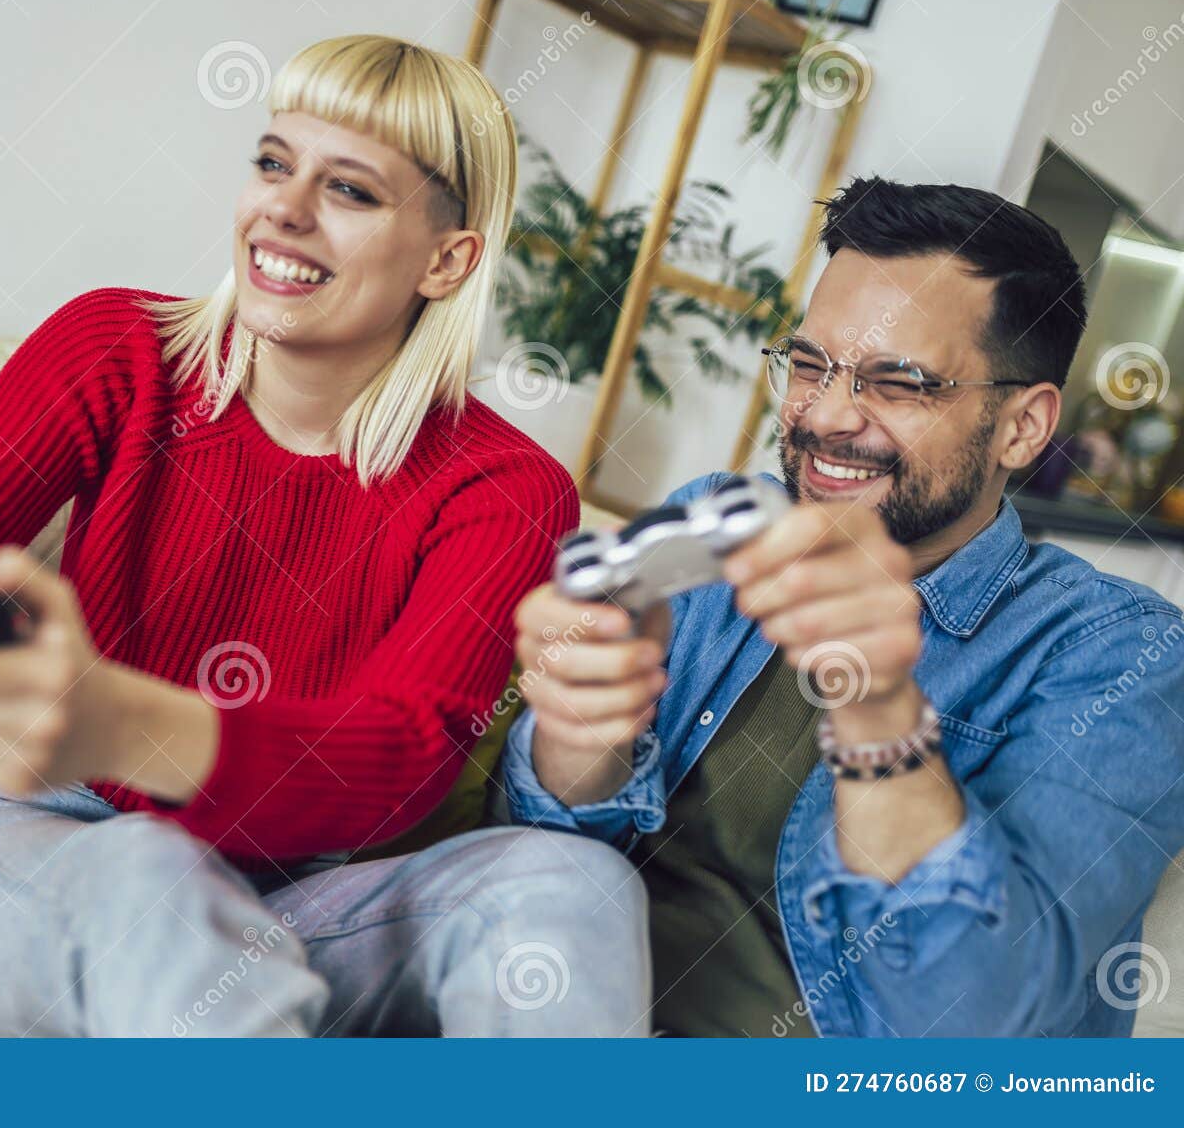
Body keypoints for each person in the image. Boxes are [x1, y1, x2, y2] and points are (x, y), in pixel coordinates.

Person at [0, 35, 650, 1037]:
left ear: (447, 259)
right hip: (41, 849)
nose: (282, 211)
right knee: (150, 878)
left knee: (575, 882)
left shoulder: (504, 487)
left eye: (349, 190)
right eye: (272, 163)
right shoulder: (116, 353)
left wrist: (130, 723)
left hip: (286, 909)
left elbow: (400, 755)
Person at [502, 177, 1184, 1037]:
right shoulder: (715, 517)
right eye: (811, 365)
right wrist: (580, 727)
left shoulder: (1125, 655)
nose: (824, 416)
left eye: (897, 383)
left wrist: (875, 705)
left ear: (1023, 427)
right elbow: (544, 848)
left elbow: (979, 1023)